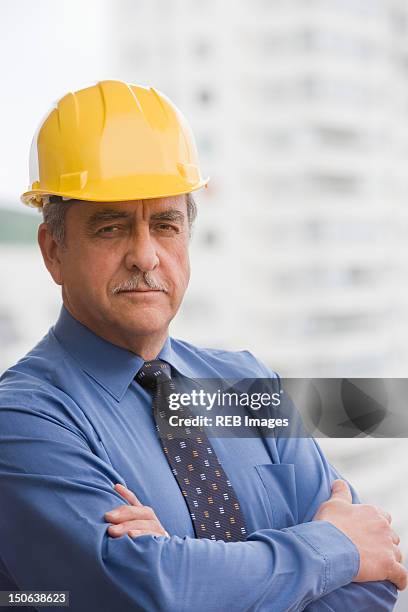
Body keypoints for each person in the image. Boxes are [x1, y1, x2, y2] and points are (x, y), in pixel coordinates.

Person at [0, 80, 405, 612]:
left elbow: (376, 575)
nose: (144, 256)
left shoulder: (244, 380)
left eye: (165, 224)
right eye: (111, 227)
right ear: (54, 250)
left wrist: (184, 567)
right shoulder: (24, 419)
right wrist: (330, 549)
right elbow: (136, 592)